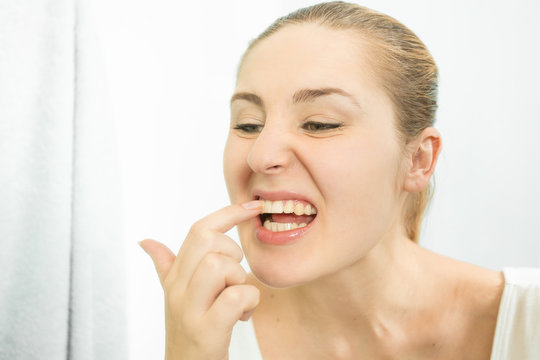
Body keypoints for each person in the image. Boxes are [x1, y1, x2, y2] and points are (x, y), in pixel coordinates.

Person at [139, 2, 540, 359]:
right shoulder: (209, 335)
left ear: (418, 159)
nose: (260, 155)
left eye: (319, 123)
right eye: (248, 124)